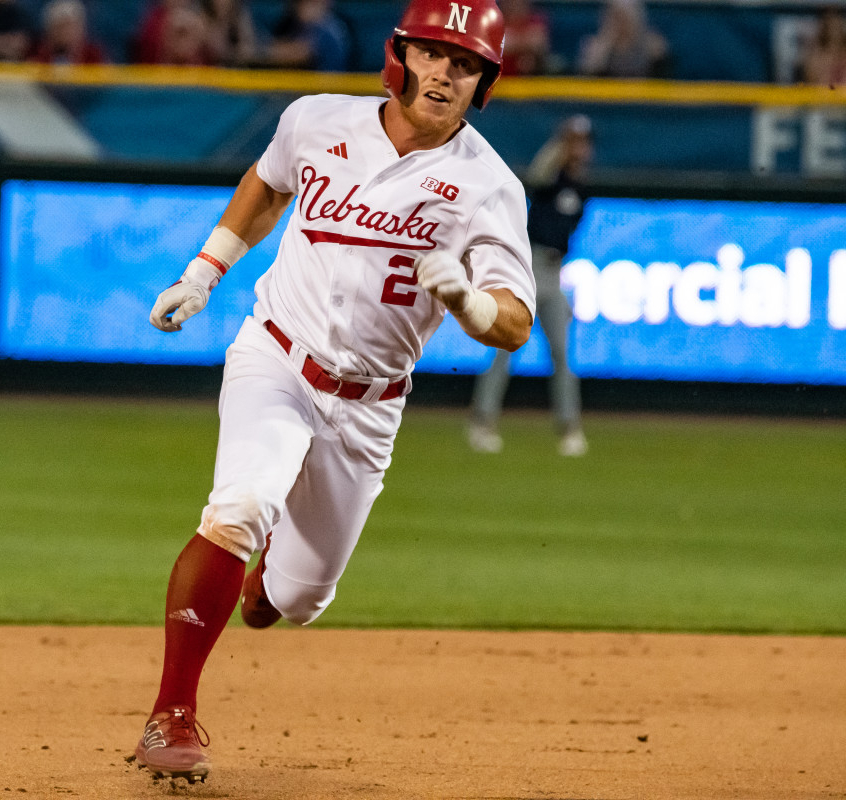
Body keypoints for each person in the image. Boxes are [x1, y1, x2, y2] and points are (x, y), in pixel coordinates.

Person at [130, 0, 535, 783]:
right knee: (240, 506)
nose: (445, 73)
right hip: (276, 356)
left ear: (484, 81)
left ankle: (264, 579)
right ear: (402, 54)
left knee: (294, 600)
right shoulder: (317, 119)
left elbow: (513, 326)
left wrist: (469, 303)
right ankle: (171, 714)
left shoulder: (490, 187)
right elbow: (267, 182)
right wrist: (205, 271)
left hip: (371, 405)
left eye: (465, 63)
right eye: (433, 54)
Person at [468, 114, 593, 457]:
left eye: (582, 142)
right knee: (506, 351)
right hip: (529, 268)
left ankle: (570, 429)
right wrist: (558, 147)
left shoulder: (581, 187)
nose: (579, 148)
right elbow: (536, 177)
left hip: (555, 271)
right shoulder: (549, 177)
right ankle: (482, 423)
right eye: (573, 141)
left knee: (561, 355)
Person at [576, 0, 670, 78]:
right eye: (615, 18)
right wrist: (597, 59)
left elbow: (665, 82)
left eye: (624, 18)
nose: (620, 25)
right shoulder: (595, 48)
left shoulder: (652, 46)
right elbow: (584, 86)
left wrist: (659, 58)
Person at [261, 0, 350, 71]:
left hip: (329, 89)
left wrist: (256, 51)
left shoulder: (328, 28)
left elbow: (297, 53)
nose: (301, 6)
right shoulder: (294, 26)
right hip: (309, 90)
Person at [31, 0, 104, 64]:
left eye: (72, 27)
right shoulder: (38, 54)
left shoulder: (93, 55)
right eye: (61, 27)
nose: (67, 32)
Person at [796, 7, 846, 87]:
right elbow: (811, 81)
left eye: (837, 16)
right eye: (827, 17)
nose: (832, 23)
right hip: (822, 96)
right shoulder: (815, 57)